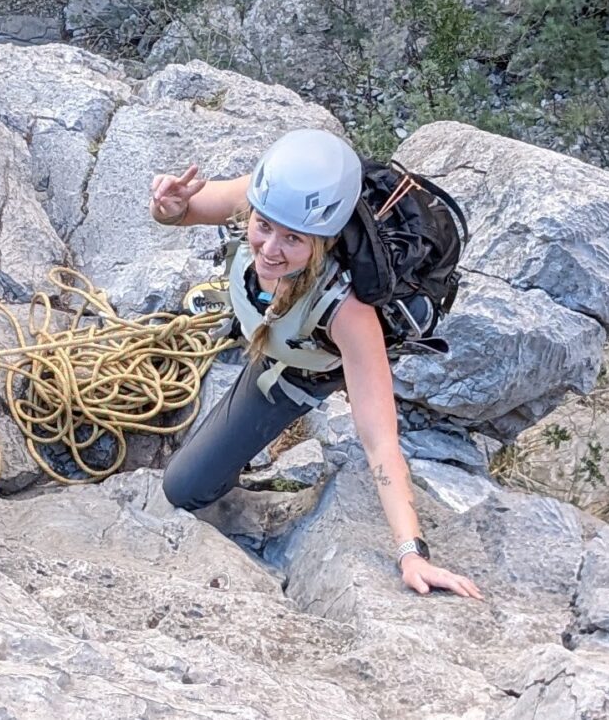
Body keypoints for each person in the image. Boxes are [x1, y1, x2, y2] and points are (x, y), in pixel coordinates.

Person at [150, 129, 483, 599]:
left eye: (293, 240)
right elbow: (185, 213)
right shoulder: (272, 199)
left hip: (294, 371)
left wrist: (412, 552)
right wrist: (168, 208)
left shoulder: (349, 313)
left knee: (184, 489)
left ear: (323, 241)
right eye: (263, 227)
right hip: (271, 330)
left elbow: (380, 439)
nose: (269, 249)